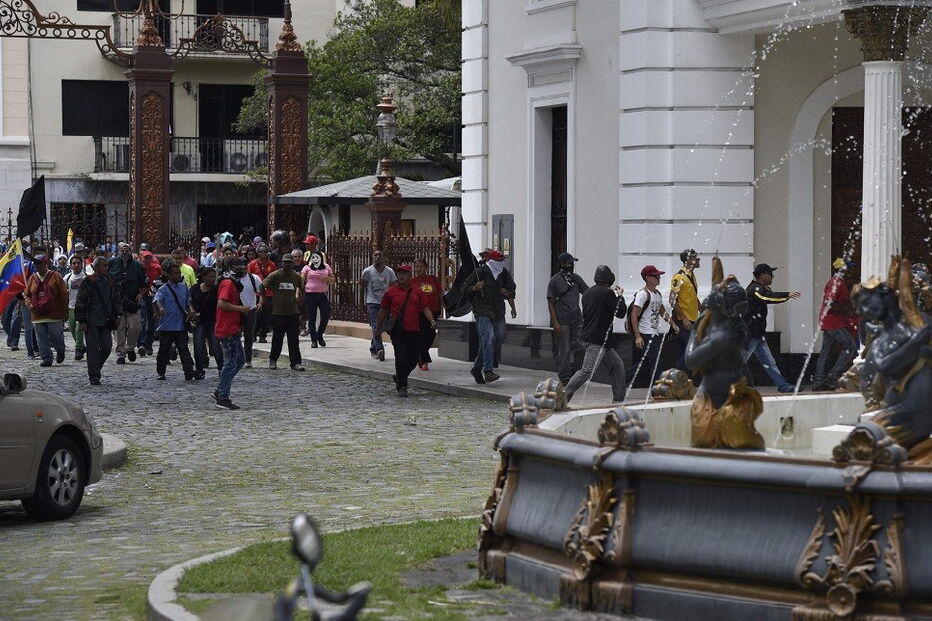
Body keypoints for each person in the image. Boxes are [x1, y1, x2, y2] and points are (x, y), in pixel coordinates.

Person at [564, 265, 628, 404]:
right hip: (597, 340)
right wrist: (620, 296)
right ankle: (563, 397)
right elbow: (621, 312)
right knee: (586, 371)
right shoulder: (607, 293)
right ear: (608, 278)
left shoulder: (587, 293)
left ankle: (618, 400)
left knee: (617, 366)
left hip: (596, 339)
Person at [376, 265, 437, 396]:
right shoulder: (390, 292)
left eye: (404, 274)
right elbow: (383, 310)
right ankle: (402, 385)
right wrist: (378, 327)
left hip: (414, 330)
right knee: (401, 357)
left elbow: (425, 307)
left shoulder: (417, 291)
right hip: (398, 331)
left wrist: (432, 320)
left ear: (410, 276)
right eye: (399, 274)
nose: (401, 276)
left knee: (414, 358)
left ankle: (399, 376)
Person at [743, 263, 800, 393]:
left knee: (770, 362)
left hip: (757, 334)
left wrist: (776, 294)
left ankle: (783, 386)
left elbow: (767, 295)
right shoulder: (754, 289)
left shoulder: (758, 288)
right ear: (763, 275)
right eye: (770, 274)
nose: (772, 276)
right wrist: (787, 294)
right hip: (750, 334)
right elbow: (767, 297)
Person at [462, 249, 517, 384]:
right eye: (498, 260)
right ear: (492, 260)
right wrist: (474, 288)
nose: (501, 262)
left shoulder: (504, 273)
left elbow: (512, 289)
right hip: (482, 312)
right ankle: (488, 371)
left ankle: (477, 368)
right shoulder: (481, 272)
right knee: (489, 337)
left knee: (496, 340)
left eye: (502, 260)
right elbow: (463, 287)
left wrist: (508, 295)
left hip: (498, 312)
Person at [811, 258, 859, 391]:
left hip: (830, 321)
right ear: (842, 269)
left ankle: (818, 382)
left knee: (825, 353)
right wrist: (847, 309)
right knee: (850, 346)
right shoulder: (837, 282)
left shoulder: (838, 281)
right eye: (849, 268)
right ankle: (832, 378)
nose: (851, 271)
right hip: (833, 322)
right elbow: (830, 303)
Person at [626, 265, 679, 386]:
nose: (659, 278)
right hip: (645, 333)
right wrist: (638, 336)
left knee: (645, 364)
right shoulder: (643, 294)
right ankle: (658, 388)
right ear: (648, 278)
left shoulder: (657, 294)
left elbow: (662, 312)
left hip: (654, 333)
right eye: (656, 276)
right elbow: (634, 316)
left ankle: (620, 379)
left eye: (659, 276)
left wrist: (673, 324)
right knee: (656, 362)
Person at [74, 257, 121, 385]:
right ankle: (94, 375)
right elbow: (81, 301)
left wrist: (117, 315)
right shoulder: (89, 281)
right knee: (93, 349)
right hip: (92, 320)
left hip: (106, 320)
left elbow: (116, 299)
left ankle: (95, 368)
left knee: (107, 347)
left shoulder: (110, 280)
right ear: (96, 267)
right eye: (103, 266)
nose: (106, 268)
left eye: (107, 265)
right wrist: (82, 320)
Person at [547, 252, 589, 386]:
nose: (571, 265)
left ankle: (576, 371)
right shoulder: (554, 281)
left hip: (577, 318)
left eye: (572, 263)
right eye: (569, 263)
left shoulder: (576, 279)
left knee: (582, 346)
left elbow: (587, 293)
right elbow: (551, 302)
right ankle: (564, 377)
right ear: (562, 264)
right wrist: (555, 321)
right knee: (564, 349)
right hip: (562, 319)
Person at [213, 258, 250, 410]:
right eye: (239, 266)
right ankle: (223, 397)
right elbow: (221, 303)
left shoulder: (232, 282)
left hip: (233, 327)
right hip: (226, 328)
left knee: (240, 360)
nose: (242, 268)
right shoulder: (228, 283)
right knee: (230, 363)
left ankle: (220, 388)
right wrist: (241, 309)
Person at [259, 253, 305, 371]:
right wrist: (265, 300)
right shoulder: (275, 275)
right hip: (278, 313)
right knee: (277, 339)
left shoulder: (296, 276)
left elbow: (302, 287)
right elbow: (261, 286)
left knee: (294, 339)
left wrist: (300, 300)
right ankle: (273, 360)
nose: (287, 264)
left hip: (292, 313)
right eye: (285, 262)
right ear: (282, 263)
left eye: (290, 262)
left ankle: (295, 363)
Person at [153, 262, 196, 381]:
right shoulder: (163, 289)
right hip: (167, 325)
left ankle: (188, 372)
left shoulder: (184, 287)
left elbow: (187, 303)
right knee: (164, 351)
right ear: (169, 275)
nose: (178, 275)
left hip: (181, 325)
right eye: (175, 273)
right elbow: (158, 300)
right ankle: (161, 372)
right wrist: (160, 308)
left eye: (179, 273)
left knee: (184, 350)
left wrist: (191, 312)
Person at [24, 254, 69, 367]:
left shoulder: (56, 276)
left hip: (54, 315)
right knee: (41, 339)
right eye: (35, 263)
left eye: (39, 263)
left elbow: (63, 294)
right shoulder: (32, 278)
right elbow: (27, 294)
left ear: (45, 264)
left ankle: (60, 350)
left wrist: (64, 312)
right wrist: (29, 304)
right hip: (37, 315)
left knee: (57, 337)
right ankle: (47, 358)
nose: (36, 266)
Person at [109, 242, 147, 364]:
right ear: (118, 251)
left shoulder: (137, 266)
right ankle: (121, 353)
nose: (124, 253)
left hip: (132, 301)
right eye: (122, 250)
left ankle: (130, 347)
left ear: (130, 251)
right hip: (117, 301)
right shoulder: (112, 263)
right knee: (119, 328)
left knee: (135, 326)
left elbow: (144, 284)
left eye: (127, 250)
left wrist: (140, 294)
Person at [360, 251, 396, 361]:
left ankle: (373, 347)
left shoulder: (389, 271)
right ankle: (380, 349)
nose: (377, 257)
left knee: (381, 326)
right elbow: (362, 287)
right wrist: (362, 302)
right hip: (372, 302)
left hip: (385, 303)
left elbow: (394, 287)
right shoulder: (367, 271)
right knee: (376, 325)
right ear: (372, 257)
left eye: (380, 255)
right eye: (375, 255)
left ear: (384, 257)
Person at [669, 249, 701, 372]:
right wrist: (684, 318)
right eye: (695, 257)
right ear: (688, 260)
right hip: (683, 321)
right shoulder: (679, 277)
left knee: (685, 350)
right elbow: (672, 300)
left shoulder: (691, 276)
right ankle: (676, 377)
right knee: (690, 350)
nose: (698, 260)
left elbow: (692, 297)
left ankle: (678, 379)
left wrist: (702, 310)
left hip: (692, 319)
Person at [190, 267, 223, 379]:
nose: (212, 279)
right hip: (199, 322)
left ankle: (221, 368)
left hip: (212, 321)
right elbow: (190, 301)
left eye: (214, 277)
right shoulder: (195, 288)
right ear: (203, 277)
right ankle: (199, 369)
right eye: (209, 277)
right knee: (198, 345)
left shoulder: (217, 289)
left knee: (215, 346)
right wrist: (193, 312)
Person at [411, 258, 442, 370]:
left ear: (426, 268)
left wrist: (444, 309)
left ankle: (420, 356)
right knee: (421, 335)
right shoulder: (413, 281)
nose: (418, 269)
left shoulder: (433, 279)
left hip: (434, 310)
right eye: (416, 267)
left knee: (431, 335)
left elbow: (440, 294)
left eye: (420, 266)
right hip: (419, 312)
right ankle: (424, 360)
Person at [301, 245, 334, 348]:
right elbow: (301, 280)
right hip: (310, 294)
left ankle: (320, 334)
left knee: (326, 314)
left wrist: (328, 278)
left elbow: (333, 281)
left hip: (322, 293)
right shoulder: (307, 267)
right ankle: (314, 340)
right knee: (312, 317)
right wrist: (299, 291)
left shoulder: (326, 267)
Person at [248, 245, 277, 343]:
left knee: (266, 316)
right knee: (256, 315)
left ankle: (263, 335)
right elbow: (249, 277)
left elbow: (274, 278)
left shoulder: (271, 264)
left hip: (268, 293)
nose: (263, 253)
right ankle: (254, 334)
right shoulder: (253, 264)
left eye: (265, 251)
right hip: (256, 293)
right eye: (261, 251)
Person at [137, 250, 162, 357]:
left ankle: (149, 343)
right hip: (141, 295)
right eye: (145, 258)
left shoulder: (156, 268)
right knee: (142, 319)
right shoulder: (137, 268)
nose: (147, 260)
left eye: (149, 258)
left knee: (152, 320)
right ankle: (141, 343)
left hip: (153, 295)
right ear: (140, 258)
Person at [239, 259, 262, 368]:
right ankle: (237, 357)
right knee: (235, 335)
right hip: (237, 310)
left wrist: (260, 303)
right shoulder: (233, 279)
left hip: (250, 310)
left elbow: (261, 291)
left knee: (249, 336)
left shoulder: (254, 278)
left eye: (244, 266)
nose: (242, 268)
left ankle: (248, 359)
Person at [65, 255, 87, 360]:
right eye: (74, 263)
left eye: (78, 263)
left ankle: (78, 348)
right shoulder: (67, 277)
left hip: (83, 307)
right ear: (71, 265)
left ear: (82, 264)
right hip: (71, 306)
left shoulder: (86, 277)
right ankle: (82, 347)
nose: (76, 265)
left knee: (79, 327)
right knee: (72, 328)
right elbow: (62, 290)